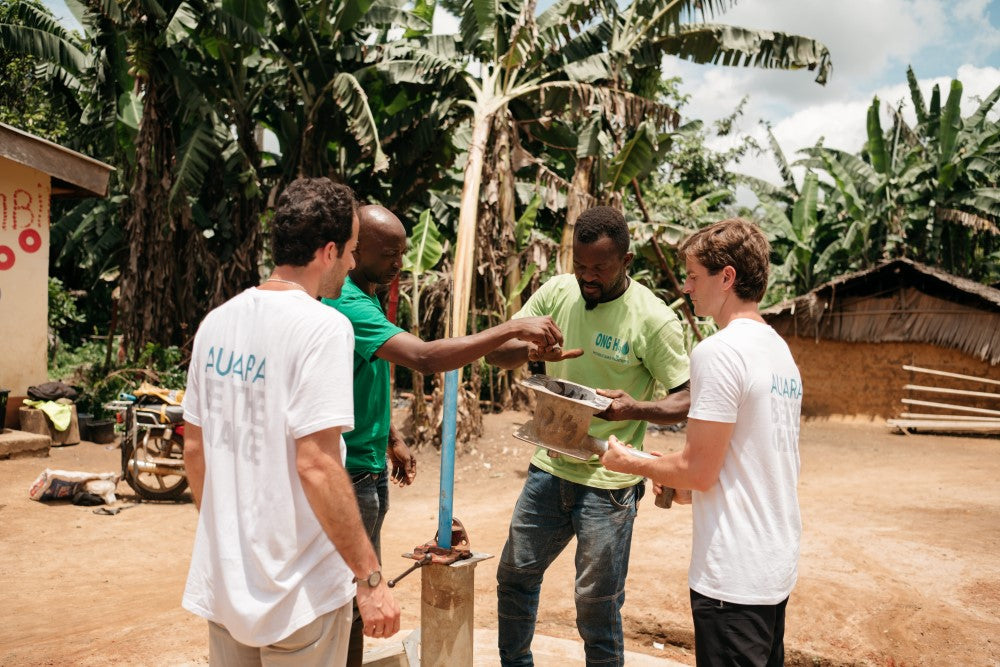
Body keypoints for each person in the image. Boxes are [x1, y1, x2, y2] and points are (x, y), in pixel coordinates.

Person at [322, 204, 569, 666]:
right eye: (390, 254)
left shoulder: (368, 293)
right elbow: (426, 357)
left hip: (368, 464)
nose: (400, 264)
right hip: (350, 474)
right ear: (357, 251)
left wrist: (389, 435)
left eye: (403, 253)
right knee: (353, 597)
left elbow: (354, 378)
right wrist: (511, 327)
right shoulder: (347, 300)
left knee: (353, 597)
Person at [181, 177, 401, 666]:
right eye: (349, 250)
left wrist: (230, 540)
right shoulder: (323, 327)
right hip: (298, 596)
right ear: (327, 251)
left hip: (226, 582)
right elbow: (317, 464)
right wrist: (370, 579)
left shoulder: (216, 322)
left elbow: (193, 449)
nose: (351, 262)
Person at [485, 205, 691, 667]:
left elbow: (688, 397)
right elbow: (495, 353)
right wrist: (529, 346)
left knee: (596, 606)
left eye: (600, 268)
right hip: (549, 467)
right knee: (515, 575)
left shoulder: (653, 320)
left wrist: (633, 407)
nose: (587, 277)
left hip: (609, 483)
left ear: (628, 261)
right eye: (580, 266)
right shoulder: (558, 292)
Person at [601, 217, 802, 667]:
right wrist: (674, 475)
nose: (687, 289)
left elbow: (698, 470)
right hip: (773, 567)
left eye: (693, 277)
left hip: (732, 577)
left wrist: (632, 463)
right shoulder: (779, 352)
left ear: (726, 277)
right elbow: (741, 463)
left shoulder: (718, 352)